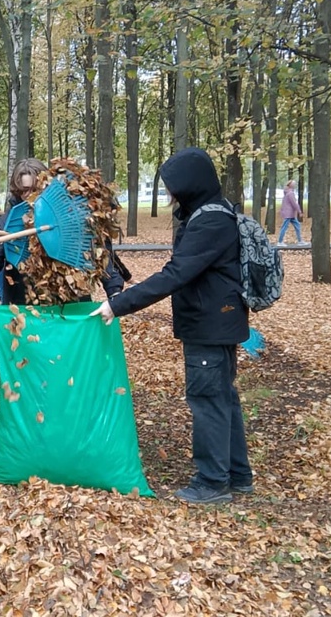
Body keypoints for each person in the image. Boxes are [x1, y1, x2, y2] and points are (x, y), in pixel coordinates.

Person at [91, 148, 252, 505]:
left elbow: (176, 274)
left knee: (208, 400)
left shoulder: (210, 222)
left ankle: (212, 482)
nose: (169, 195)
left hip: (209, 326)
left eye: (172, 187)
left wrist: (118, 304)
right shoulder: (211, 213)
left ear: (190, 185)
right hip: (218, 321)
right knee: (222, 398)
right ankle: (237, 474)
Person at [0, 158, 127, 311]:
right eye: (23, 191)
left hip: (71, 302)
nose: (28, 196)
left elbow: (98, 253)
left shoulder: (70, 218)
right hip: (24, 304)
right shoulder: (7, 223)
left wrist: (114, 290)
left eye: (34, 189)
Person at [277, 179, 305, 246]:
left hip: (290, 214)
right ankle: (280, 242)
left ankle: (300, 241)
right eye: (294, 184)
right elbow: (294, 203)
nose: (295, 185)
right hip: (288, 214)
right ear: (290, 185)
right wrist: (299, 211)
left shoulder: (287, 192)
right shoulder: (290, 193)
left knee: (297, 225)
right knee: (284, 227)